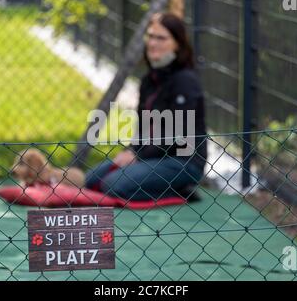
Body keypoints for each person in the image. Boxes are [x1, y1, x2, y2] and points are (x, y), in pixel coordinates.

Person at [85, 12, 208, 202]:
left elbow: (176, 137)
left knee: (113, 185)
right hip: (152, 156)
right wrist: (131, 150)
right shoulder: (148, 81)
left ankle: (181, 191)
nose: (153, 43)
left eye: (161, 38)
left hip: (183, 161)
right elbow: (142, 129)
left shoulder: (185, 81)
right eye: (150, 36)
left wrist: (137, 155)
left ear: (178, 43)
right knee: (91, 180)